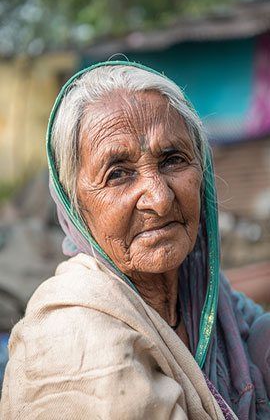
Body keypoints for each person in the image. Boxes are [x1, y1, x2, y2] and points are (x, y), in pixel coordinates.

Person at [1, 61, 269, 419]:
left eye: (173, 159)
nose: (159, 199)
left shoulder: (209, 297)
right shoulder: (70, 341)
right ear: (74, 204)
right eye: (118, 174)